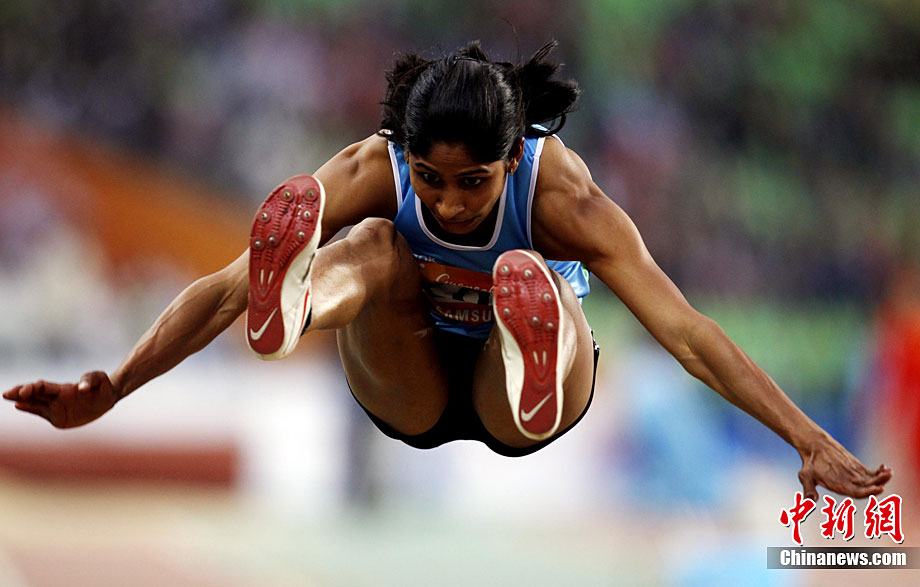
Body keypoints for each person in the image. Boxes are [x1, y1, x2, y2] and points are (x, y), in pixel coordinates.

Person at [3, 41, 890, 500]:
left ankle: (533, 337)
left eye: (474, 183)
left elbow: (687, 334)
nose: (450, 202)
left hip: (526, 402)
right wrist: (116, 385)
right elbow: (222, 293)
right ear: (406, 151)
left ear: (513, 160)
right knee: (371, 246)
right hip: (410, 381)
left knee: (535, 281)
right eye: (429, 178)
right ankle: (300, 303)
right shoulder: (370, 168)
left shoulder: (564, 199)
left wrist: (805, 436)